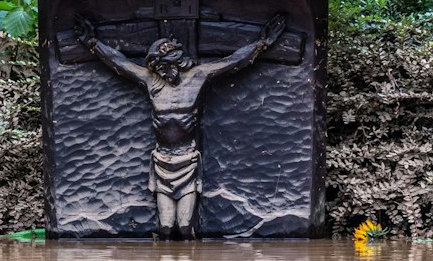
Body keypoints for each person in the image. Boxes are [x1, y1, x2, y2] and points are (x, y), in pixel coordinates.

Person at [74, 12, 287, 238]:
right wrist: (92, 43)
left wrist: (262, 44)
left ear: (175, 62)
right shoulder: (150, 80)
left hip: (188, 160)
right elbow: (120, 63)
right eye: (158, 68)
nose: (163, 72)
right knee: (165, 228)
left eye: (165, 66)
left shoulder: (197, 77)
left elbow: (232, 62)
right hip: (162, 160)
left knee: (184, 227)